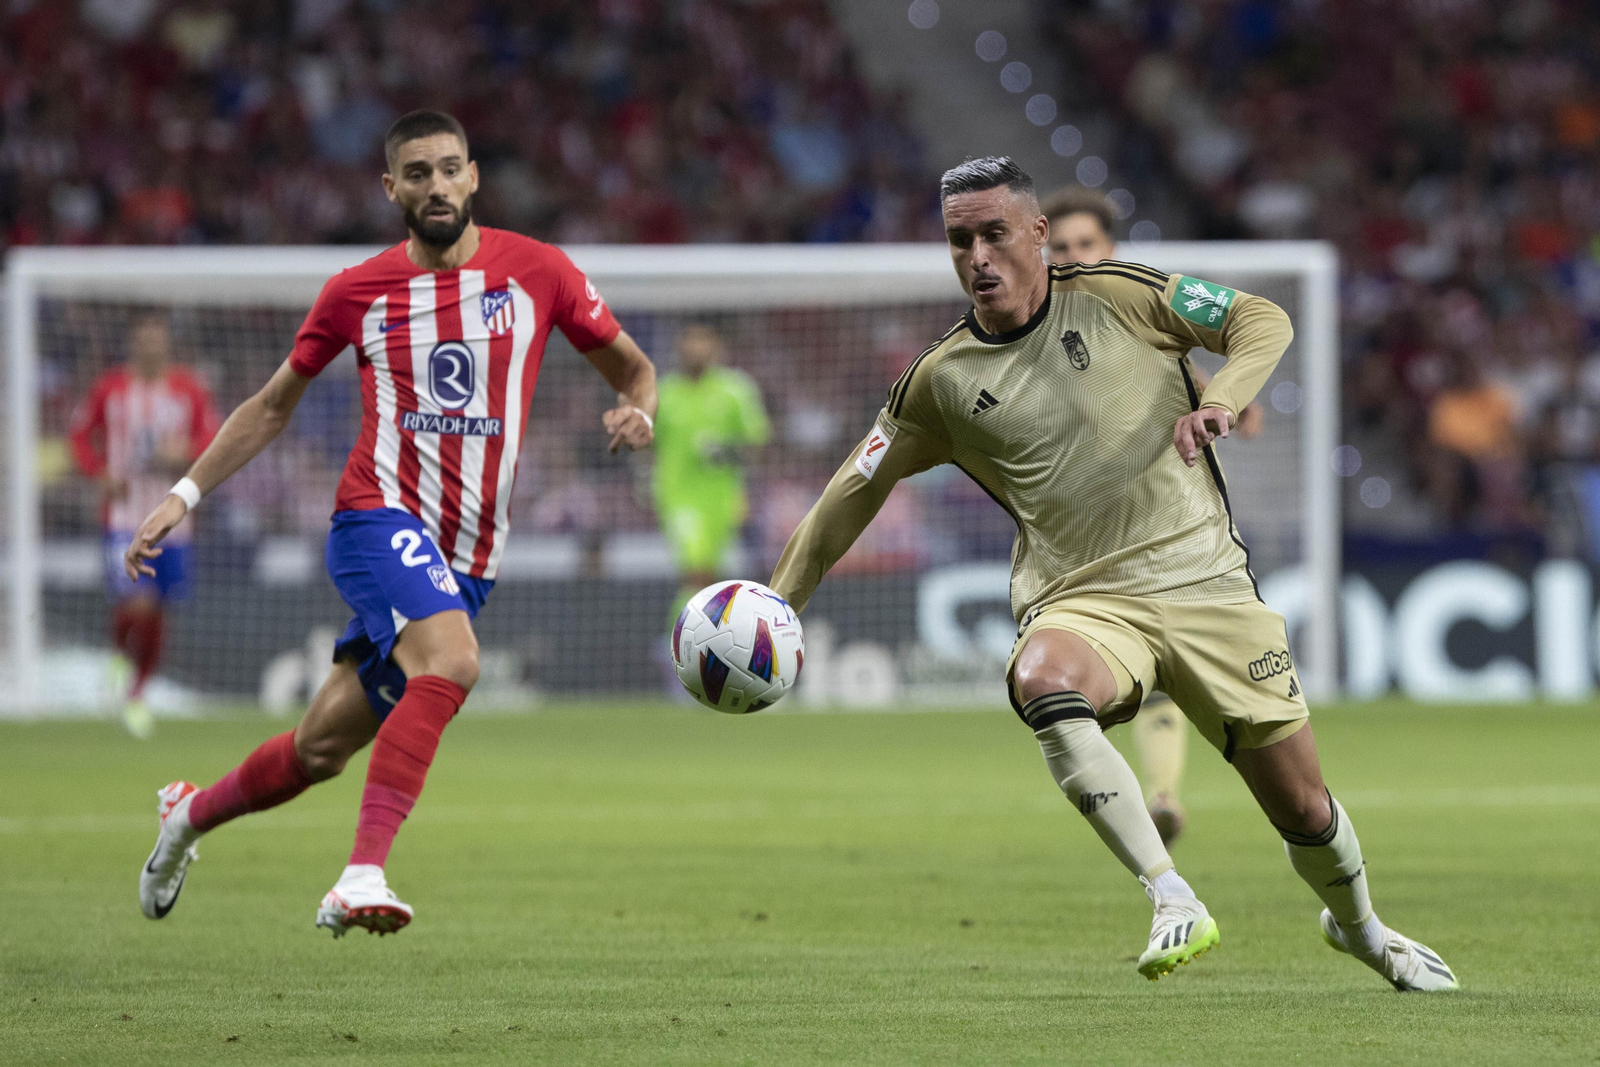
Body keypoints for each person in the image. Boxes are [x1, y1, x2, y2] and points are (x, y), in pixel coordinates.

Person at [770, 157, 1458, 990]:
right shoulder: (938, 384)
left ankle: (1362, 930)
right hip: (1083, 600)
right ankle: (1170, 893)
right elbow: (853, 489)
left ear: (1036, 234)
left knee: (1305, 810)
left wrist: (1223, 398)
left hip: (1206, 584)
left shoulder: (1120, 293)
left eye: (993, 234)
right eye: (959, 241)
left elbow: (1260, 319)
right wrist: (779, 605)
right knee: (1041, 681)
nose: (978, 256)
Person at [131, 110, 658, 937]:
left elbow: (634, 366)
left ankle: (186, 817)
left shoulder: (540, 273)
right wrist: (183, 495)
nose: (437, 185)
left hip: (468, 560)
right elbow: (272, 408)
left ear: (474, 177)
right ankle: (361, 871)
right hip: (377, 518)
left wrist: (640, 410)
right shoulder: (357, 291)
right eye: (418, 173)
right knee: (453, 661)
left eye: (450, 169)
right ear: (391, 189)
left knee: (318, 750)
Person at [1040, 187, 1265, 847]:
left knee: (1167, 684)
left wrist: (1225, 400)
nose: (1073, 258)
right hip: (1078, 542)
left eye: (1086, 245)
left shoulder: (1143, 309)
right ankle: (1150, 798)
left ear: (1110, 251)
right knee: (1091, 690)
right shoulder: (1023, 327)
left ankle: (1161, 797)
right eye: (1060, 247)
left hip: (1163, 530)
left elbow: (1198, 363)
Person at [69, 311, 221, 739]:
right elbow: (80, 437)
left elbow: (212, 441)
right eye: (145, 338)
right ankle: (120, 658)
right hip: (122, 517)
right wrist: (100, 474)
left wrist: (185, 452)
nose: (152, 345)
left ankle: (136, 693)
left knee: (160, 610)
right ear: (134, 343)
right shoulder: (111, 388)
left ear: (167, 343)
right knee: (137, 601)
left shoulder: (189, 389)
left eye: (158, 338)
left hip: (175, 521)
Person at [653, 323, 771, 610]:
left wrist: (725, 452)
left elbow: (759, 445)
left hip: (723, 499)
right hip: (678, 495)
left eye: (702, 341)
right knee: (695, 571)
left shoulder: (736, 390)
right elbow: (645, 441)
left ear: (716, 346)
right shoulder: (664, 393)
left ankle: (696, 644)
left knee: (708, 576)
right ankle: (678, 644)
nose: (695, 348)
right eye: (689, 341)